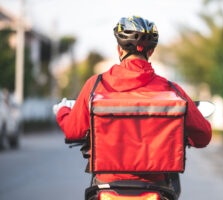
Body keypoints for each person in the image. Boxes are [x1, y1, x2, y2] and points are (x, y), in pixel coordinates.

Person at [53, 16, 212, 187]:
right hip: (156, 183)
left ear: (119, 50)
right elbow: (203, 136)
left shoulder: (96, 85)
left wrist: (63, 111)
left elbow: (73, 131)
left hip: (107, 183)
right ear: (150, 52)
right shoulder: (171, 89)